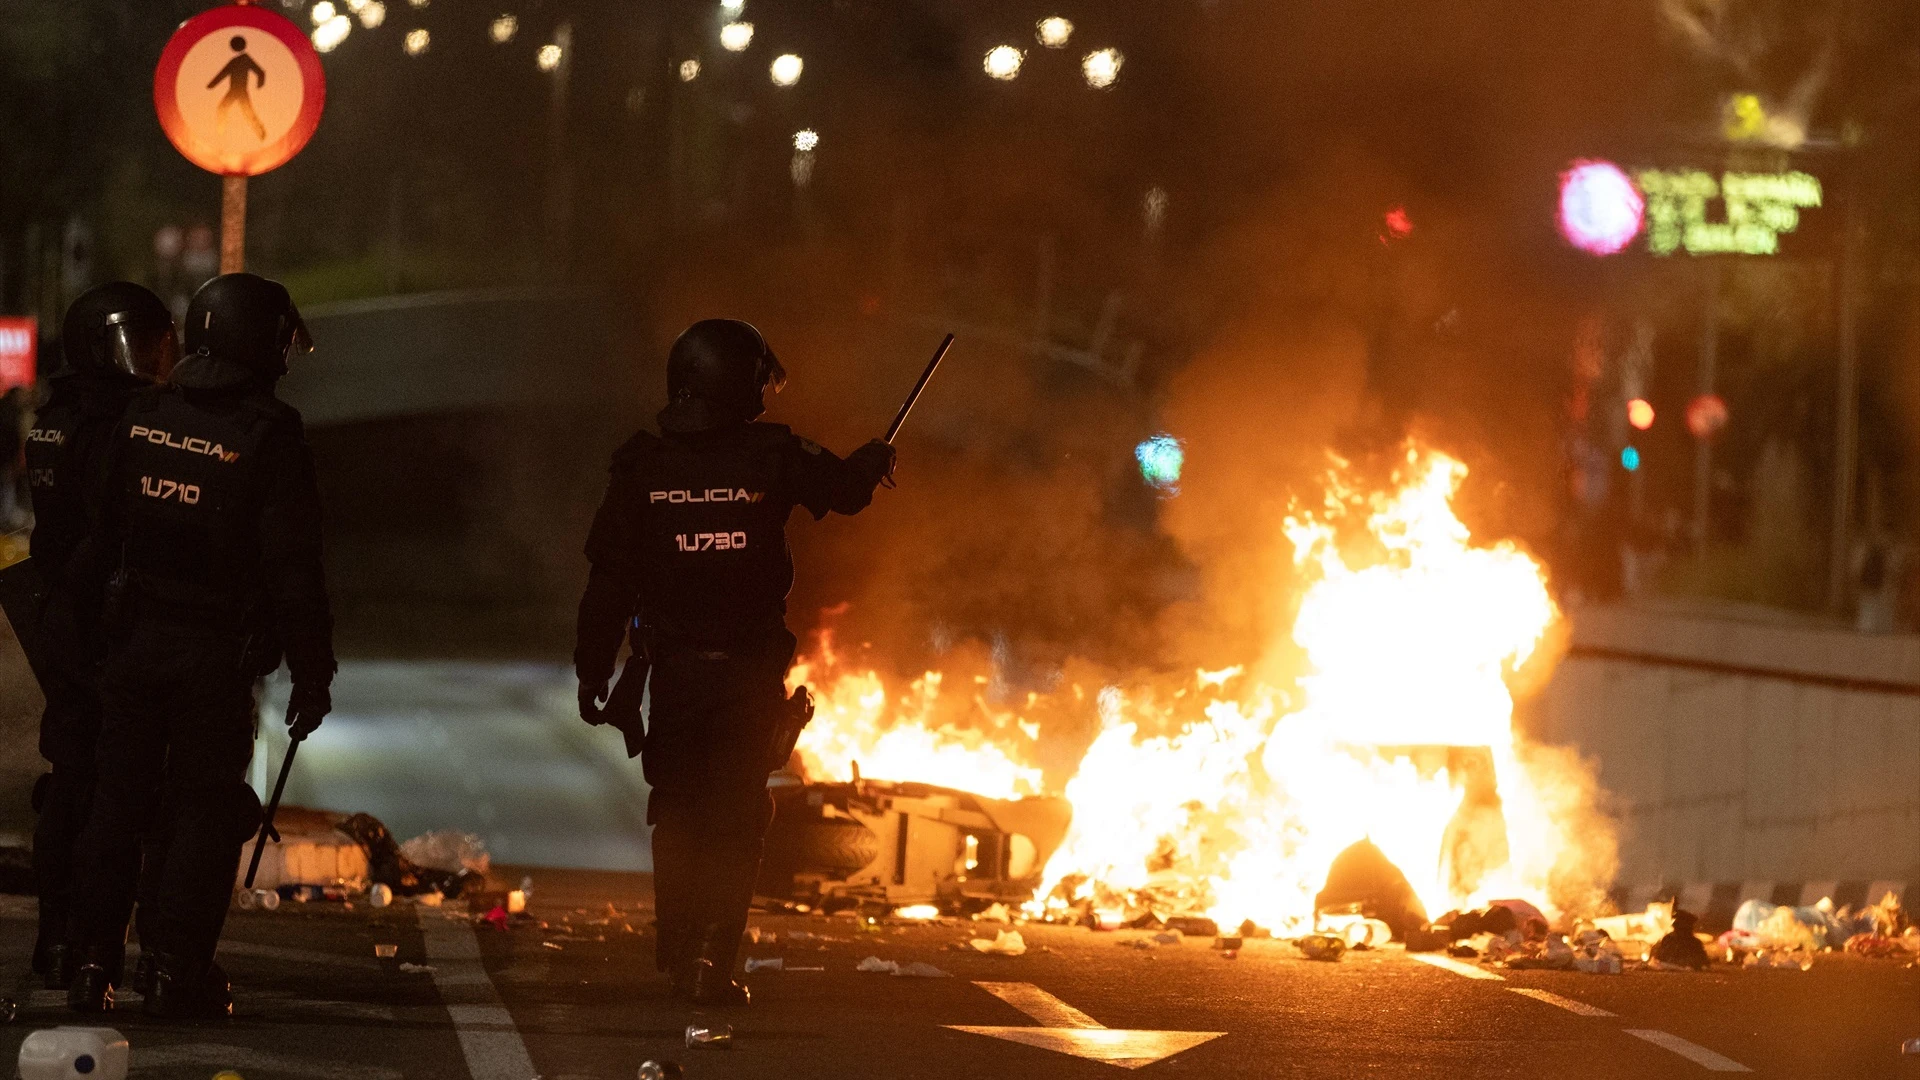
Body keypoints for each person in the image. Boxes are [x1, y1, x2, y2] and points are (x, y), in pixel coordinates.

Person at [574, 319, 895, 1007]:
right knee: (737, 818)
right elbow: (842, 490)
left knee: (680, 810)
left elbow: (607, 582)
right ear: (740, 384)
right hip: (748, 678)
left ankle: (678, 947)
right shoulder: (772, 455)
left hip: (676, 675)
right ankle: (711, 963)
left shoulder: (642, 468)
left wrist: (591, 668)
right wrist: (873, 458)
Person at [65, 273, 334, 1019]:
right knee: (201, 813)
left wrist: (87, 641)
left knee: (115, 802)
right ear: (258, 341)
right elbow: (293, 570)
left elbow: (100, 540)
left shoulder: (143, 414)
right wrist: (313, 672)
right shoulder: (269, 437)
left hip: (132, 644)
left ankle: (91, 960)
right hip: (213, 657)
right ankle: (173, 967)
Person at [25, 283, 178, 990]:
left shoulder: (55, 417)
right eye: (151, 345)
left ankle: (54, 940)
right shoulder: (125, 424)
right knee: (114, 793)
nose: (161, 359)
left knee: (67, 782)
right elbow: (114, 532)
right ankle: (93, 943)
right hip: (107, 624)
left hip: (60, 616)